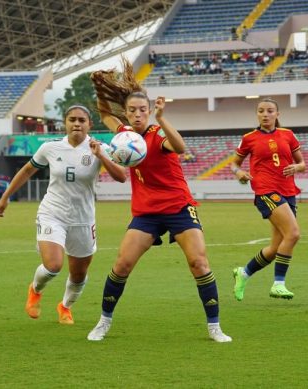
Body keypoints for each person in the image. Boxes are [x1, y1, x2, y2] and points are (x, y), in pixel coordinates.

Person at [86, 58, 231, 343]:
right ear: (126, 114)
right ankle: (103, 322)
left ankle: (214, 326)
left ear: (150, 111)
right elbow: (104, 113)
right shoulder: (124, 136)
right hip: (146, 212)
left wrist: (163, 119)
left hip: (178, 206)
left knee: (199, 263)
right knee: (122, 265)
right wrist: (100, 86)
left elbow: (180, 147)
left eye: (143, 110)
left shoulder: (156, 136)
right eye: (132, 111)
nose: (137, 114)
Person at [0, 105, 126, 325]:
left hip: (83, 218)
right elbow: (27, 170)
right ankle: (35, 290)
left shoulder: (100, 148)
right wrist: (6, 196)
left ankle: (65, 307)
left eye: (81, 120)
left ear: (89, 125)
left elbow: (122, 176)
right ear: (65, 123)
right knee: (53, 265)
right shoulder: (50, 147)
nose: (77, 124)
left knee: (78, 275)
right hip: (52, 212)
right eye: (72, 119)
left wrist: (101, 155)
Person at [230, 97, 306, 301]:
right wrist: (239, 174)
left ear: (277, 114)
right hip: (265, 191)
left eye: (270, 111)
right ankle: (279, 284)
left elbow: (302, 163)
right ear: (257, 114)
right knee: (294, 233)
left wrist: (296, 167)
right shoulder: (249, 138)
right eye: (261, 111)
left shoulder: (288, 135)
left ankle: (243, 273)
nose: (265, 114)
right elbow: (234, 164)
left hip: (288, 191)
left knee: (275, 247)